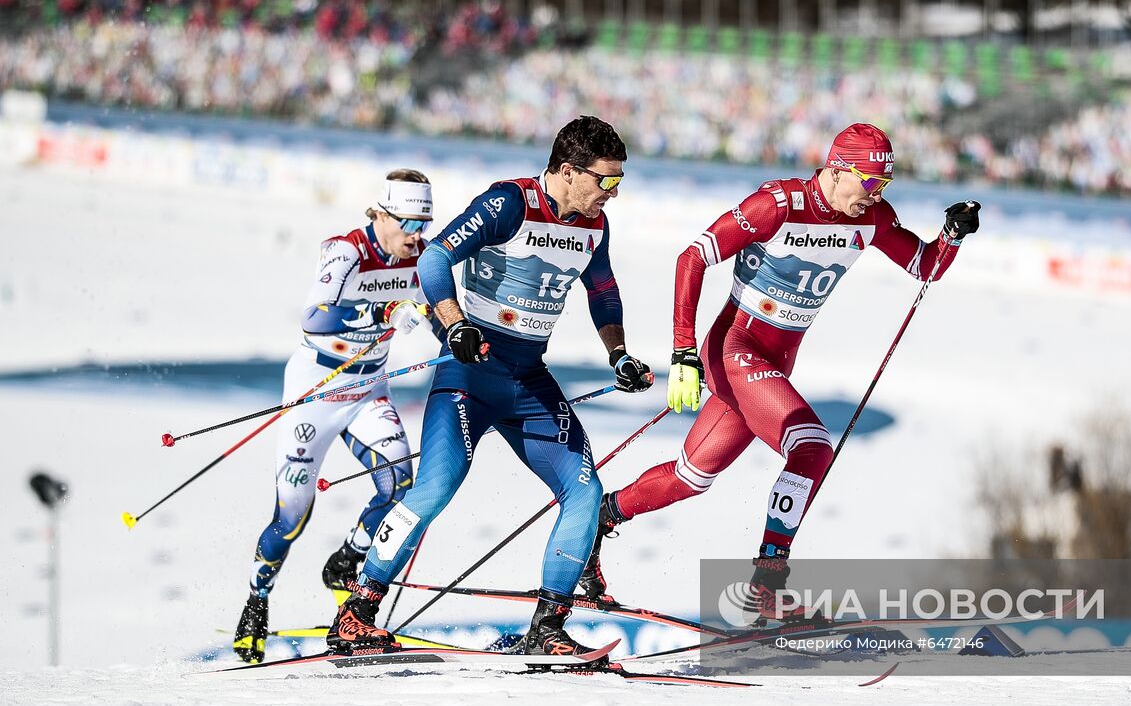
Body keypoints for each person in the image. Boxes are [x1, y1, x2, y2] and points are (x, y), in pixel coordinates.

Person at [580, 123, 979, 623]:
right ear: (837, 169)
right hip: (736, 350)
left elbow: (926, 267)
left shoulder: (873, 217)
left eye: (885, 186)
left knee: (691, 477)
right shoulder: (778, 205)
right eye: (870, 182)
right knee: (811, 447)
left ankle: (596, 519)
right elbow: (692, 258)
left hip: (772, 365)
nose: (875, 195)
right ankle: (767, 585)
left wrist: (952, 236)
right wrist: (683, 353)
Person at [326, 116, 653, 658]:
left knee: (584, 490)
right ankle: (356, 613)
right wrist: (455, 323)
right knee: (433, 490)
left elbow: (603, 290)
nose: (612, 194)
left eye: (619, 182)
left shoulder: (595, 225)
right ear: (569, 172)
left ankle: (547, 628)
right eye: (606, 181)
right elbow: (434, 259)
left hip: (528, 379)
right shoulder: (508, 204)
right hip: (469, 373)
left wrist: (618, 354)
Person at [234, 170, 435, 663]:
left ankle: (346, 562)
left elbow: (433, 308)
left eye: (424, 220)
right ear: (382, 213)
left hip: (369, 388)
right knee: (291, 516)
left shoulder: (423, 257)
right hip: (316, 389)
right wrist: (385, 313)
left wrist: (448, 328)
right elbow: (314, 318)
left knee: (400, 485)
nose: (416, 231)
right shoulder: (346, 252)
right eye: (409, 220)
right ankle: (257, 600)